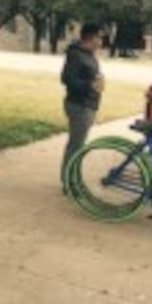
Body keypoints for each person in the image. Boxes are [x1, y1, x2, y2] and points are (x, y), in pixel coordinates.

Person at [60, 23, 105, 188]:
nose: (102, 41)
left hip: (88, 104)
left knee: (78, 144)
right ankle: (70, 182)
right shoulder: (76, 55)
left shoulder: (89, 55)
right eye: (100, 37)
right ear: (91, 38)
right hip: (79, 105)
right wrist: (90, 85)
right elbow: (67, 79)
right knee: (76, 145)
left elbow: (89, 75)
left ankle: (72, 178)